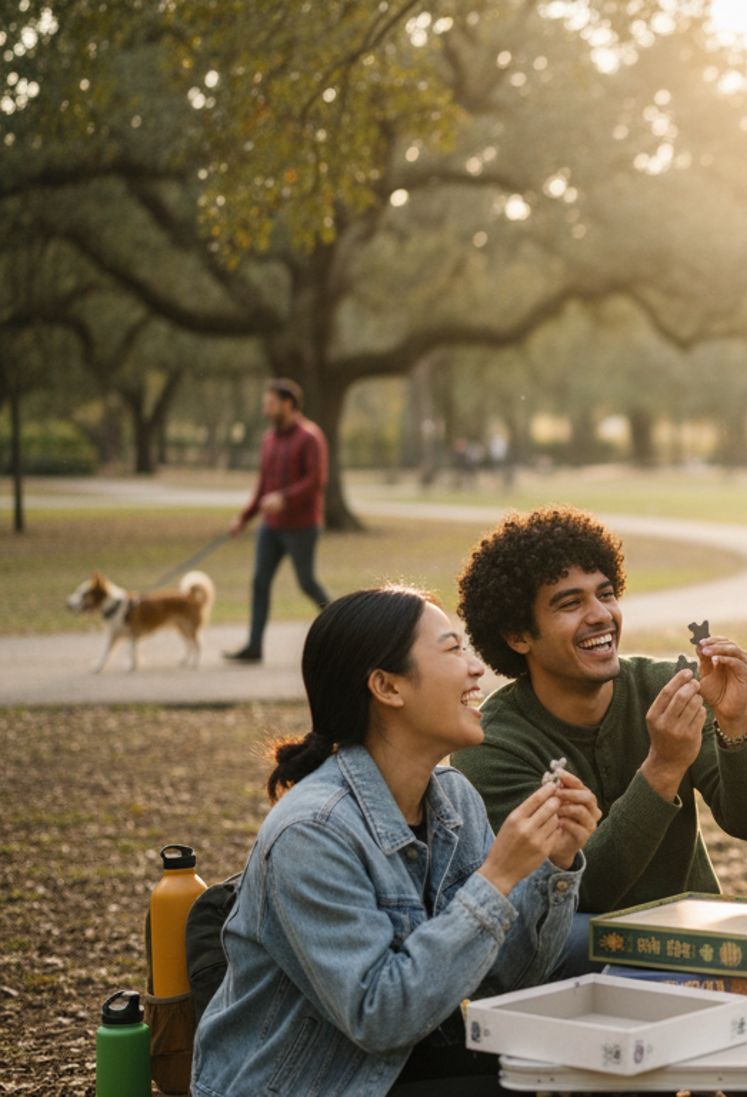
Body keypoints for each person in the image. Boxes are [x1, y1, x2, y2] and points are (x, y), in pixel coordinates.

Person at [192, 586, 597, 1096]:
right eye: (453, 650)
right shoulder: (311, 832)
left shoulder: (453, 799)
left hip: (395, 1064)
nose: (477, 669)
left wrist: (555, 863)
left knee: (592, 1069)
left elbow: (499, 981)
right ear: (387, 686)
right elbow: (379, 1016)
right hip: (312, 1084)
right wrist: (497, 877)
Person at [451, 506, 747, 977]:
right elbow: (579, 895)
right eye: (570, 604)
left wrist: (735, 723)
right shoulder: (492, 747)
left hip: (693, 942)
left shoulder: (665, 687)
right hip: (573, 965)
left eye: (606, 594)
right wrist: (662, 768)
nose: (601, 616)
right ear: (517, 635)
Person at [224, 377, 331, 663]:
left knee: (307, 582)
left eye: (270, 403)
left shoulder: (310, 437)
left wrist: (284, 497)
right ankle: (254, 647)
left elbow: (316, 480)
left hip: (302, 526)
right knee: (259, 582)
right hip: (271, 527)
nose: (266, 409)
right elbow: (263, 486)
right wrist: (244, 518)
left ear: (288, 404)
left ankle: (346, 627)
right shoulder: (269, 439)